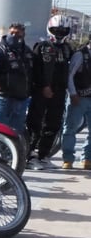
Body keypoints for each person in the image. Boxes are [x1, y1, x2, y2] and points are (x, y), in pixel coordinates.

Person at [26, 14, 73, 169]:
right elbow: (36, 70)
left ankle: (43, 155)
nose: (59, 33)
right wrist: (43, 86)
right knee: (36, 123)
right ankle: (30, 156)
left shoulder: (67, 49)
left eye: (63, 30)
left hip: (59, 92)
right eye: (56, 30)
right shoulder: (42, 46)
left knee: (53, 124)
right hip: (42, 91)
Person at [0, 22, 34, 144]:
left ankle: (13, 161)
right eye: (12, 33)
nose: (14, 35)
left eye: (17, 33)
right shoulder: (0, 50)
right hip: (2, 99)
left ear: (23, 34)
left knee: (16, 136)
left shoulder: (27, 52)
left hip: (21, 101)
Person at [60, 39, 91, 169]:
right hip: (78, 98)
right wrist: (73, 94)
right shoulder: (80, 55)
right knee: (70, 128)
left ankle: (87, 158)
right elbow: (70, 75)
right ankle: (68, 159)